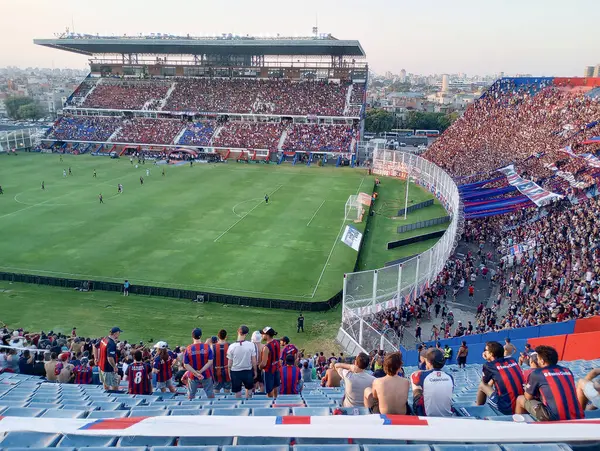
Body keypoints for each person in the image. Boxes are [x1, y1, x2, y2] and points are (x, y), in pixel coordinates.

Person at [516, 345, 584, 421]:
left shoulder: (537, 373)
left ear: (542, 361)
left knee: (520, 399)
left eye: (538, 358)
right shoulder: (567, 370)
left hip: (552, 417)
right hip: (577, 415)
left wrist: (527, 389)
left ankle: (519, 427)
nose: (537, 361)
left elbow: (528, 397)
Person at [476, 341, 524, 415]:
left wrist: (488, 361)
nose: (484, 352)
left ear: (491, 354)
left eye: (485, 350)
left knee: (482, 385)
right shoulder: (512, 360)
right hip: (521, 404)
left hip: (505, 407)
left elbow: (484, 381)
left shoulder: (489, 365)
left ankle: (478, 410)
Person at [411, 348, 454, 417]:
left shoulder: (422, 375)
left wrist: (421, 371)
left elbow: (414, 378)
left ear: (428, 362)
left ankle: (418, 410)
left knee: (415, 382)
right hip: (447, 414)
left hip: (427, 414)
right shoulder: (450, 377)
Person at [183, 328, 215, 399]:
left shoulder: (188, 348)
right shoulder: (207, 347)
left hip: (193, 375)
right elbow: (210, 362)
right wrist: (200, 371)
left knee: (191, 395)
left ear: (192, 336)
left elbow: (185, 364)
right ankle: (211, 407)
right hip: (206, 374)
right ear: (200, 336)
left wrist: (196, 373)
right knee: (210, 393)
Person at [227, 325, 257, 399]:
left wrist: (229, 372)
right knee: (249, 390)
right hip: (247, 370)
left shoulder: (232, 346)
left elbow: (229, 362)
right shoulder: (251, 345)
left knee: (237, 392)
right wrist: (255, 371)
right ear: (246, 334)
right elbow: (254, 360)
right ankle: (248, 405)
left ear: (238, 331)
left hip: (235, 371)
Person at [98, 327, 122, 391]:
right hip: (108, 368)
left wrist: (96, 358)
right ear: (115, 333)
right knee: (115, 386)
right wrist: (114, 367)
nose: (119, 334)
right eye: (119, 333)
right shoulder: (111, 344)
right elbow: (110, 357)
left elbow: (95, 346)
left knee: (106, 385)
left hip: (101, 366)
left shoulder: (104, 339)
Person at [259, 326, 281, 398]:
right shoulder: (277, 342)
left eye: (263, 334)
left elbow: (264, 363)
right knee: (275, 387)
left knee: (269, 391)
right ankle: (275, 401)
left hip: (269, 371)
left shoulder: (266, 347)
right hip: (276, 368)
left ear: (267, 335)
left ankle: (270, 405)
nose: (262, 335)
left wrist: (259, 366)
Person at [213, 329, 231, 394]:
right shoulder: (230, 346)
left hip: (216, 371)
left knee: (216, 389)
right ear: (226, 336)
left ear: (218, 336)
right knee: (227, 390)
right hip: (227, 371)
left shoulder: (213, 347)